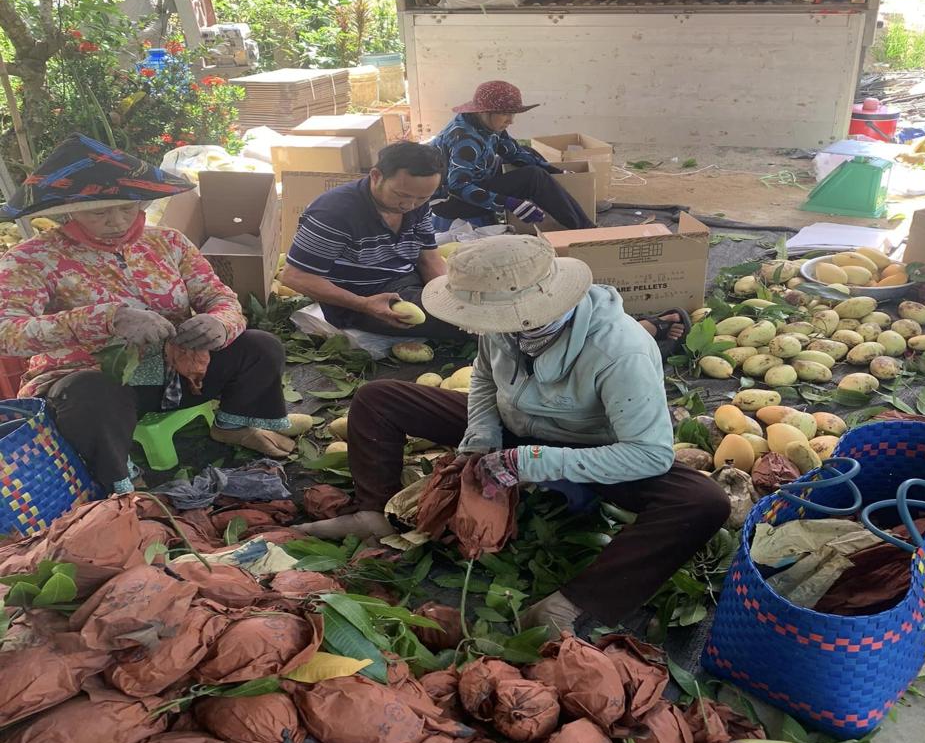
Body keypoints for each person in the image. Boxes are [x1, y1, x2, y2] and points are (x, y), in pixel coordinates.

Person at [297, 234, 730, 635]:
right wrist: (481, 436)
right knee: (378, 398)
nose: (478, 328)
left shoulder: (620, 351)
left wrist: (529, 463)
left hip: (588, 448)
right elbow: (485, 377)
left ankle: (574, 602)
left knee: (702, 502)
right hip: (513, 426)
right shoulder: (507, 325)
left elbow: (649, 455)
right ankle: (373, 511)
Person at [0, 134, 301, 494]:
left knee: (260, 347)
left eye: (128, 208)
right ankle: (117, 477)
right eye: (100, 212)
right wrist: (106, 319)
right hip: (97, 381)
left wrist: (219, 323)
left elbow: (220, 297)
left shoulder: (168, 242)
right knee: (88, 393)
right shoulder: (30, 259)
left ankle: (233, 426)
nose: (117, 221)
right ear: (69, 211)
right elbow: (8, 331)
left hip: (179, 370)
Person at [281, 141, 465, 341]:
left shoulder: (416, 205)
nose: (410, 205)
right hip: (359, 300)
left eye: (422, 198)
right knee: (467, 321)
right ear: (376, 176)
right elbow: (294, 276)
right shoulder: (334, 212)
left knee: (485, 304)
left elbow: (429, 259)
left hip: (407, 283)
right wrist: (364, 304)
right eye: (401, 195)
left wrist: (450, 294)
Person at [429, 80, 596, 230]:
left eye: (512, 113)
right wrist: (509, 203)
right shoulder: (465, 140)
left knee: (529, 155)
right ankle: (584, 229)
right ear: (484, 112)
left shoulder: (487, 125)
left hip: (479, 176)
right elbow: (458, 186)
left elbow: (515, 153)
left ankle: (567, 198)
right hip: (451, 201)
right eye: (505, 114)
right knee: (534, 177)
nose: (511, 120)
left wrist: (555, 171)